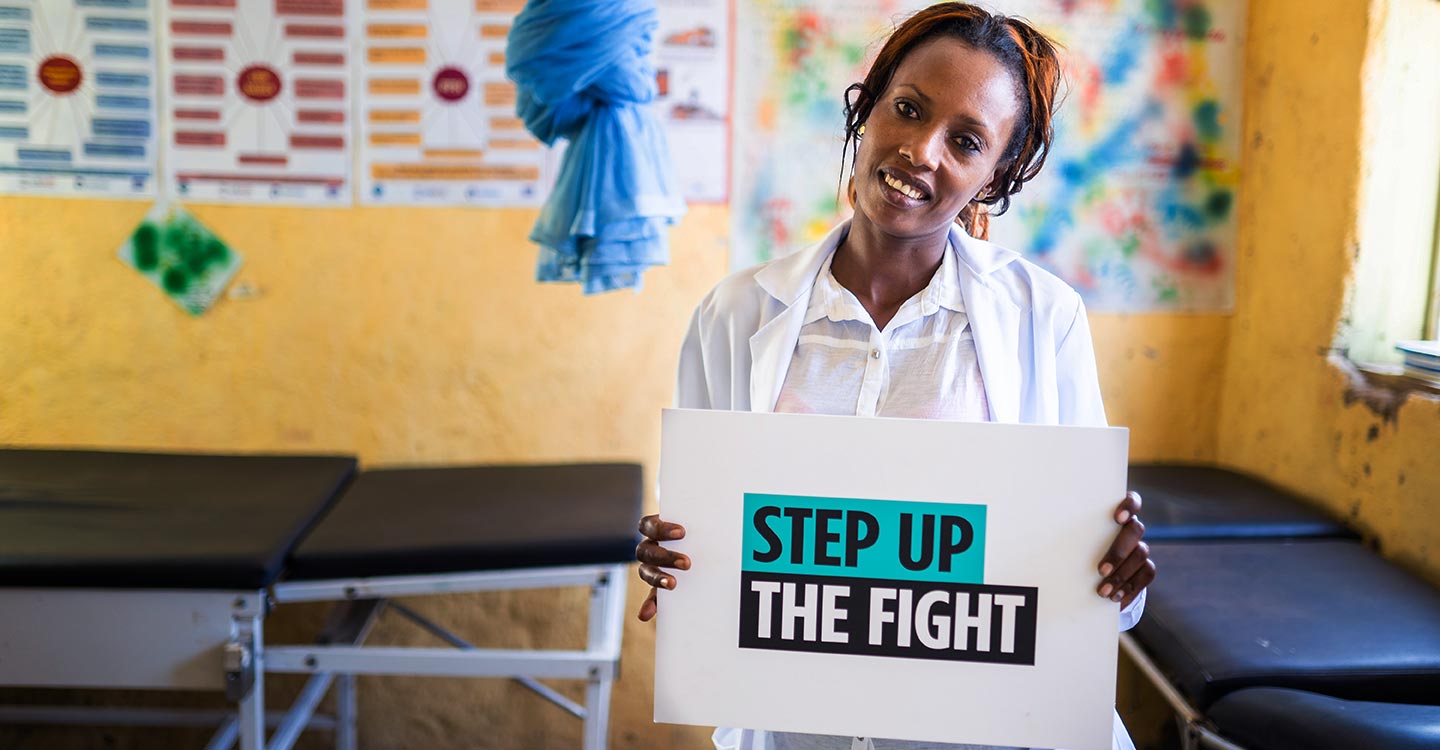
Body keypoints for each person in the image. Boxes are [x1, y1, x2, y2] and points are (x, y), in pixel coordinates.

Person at [636, 4, 1156, 749]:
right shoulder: (737, 314)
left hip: (984, 731)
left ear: (994, 173)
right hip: (793, 726)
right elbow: (707, 534)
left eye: (966, 141)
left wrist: (1117, 578)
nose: (920, 150)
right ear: (867, 105)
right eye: (907, 109)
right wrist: (675, 558)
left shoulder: (1045, 318)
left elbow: (1083, 584)